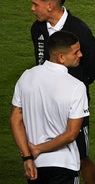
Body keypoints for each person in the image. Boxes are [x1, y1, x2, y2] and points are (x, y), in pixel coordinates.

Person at [30, 0, 95, 183]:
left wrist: (76, 86)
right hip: (45, 105)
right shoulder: (37, 29)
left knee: (81, 157)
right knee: (46, 152)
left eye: (36, 4)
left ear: (50, 6)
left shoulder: (79, 29)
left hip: (73, 105)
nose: (32, 8)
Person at [10, 31, 89, 183]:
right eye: (76, 52)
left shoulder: (26, 76)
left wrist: (27, 157)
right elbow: (71, 134)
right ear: (61, 58)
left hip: (35, 165)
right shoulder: (76, 87)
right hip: (64, 165)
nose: (81, 55)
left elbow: (15, 120)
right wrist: (39, 148)